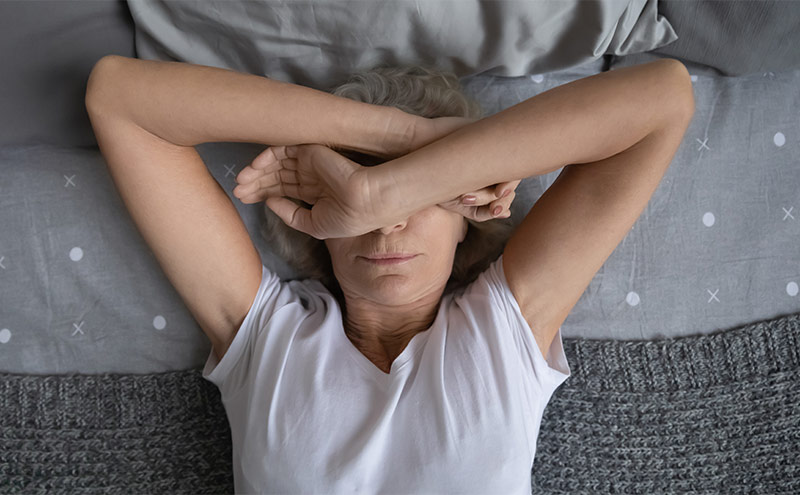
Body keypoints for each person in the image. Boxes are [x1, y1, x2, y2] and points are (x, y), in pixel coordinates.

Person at [85, 55, 694, 493]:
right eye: (353, 195)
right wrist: (402, 137)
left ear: (468, 224)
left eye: (421, 195)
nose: (387, 223)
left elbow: (663, 96)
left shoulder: (505, 331)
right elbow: (119, 96)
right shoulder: (265, 340)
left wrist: (388, 186)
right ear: (317, 227)